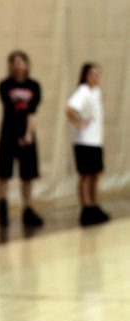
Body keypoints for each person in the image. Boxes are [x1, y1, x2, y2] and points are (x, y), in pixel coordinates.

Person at [0, 50, 44, 227]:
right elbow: (10, 109)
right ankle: (2, 209)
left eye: (21, 61)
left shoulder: (34, 86)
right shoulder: (4, 85)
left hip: (27, 135)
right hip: (8, 134)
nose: (17, 65)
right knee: (3, 174)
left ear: (26, 64)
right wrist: (16, 136)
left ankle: (28, 210)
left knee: (28, 175)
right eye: (14, 62)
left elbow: (32, 112)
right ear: (10, 65)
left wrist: (28, 134)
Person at [66, 63, 110, 226]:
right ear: (85, 75)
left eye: (97, 74)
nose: (95, 76)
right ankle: (85, 208)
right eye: (92, 73)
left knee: (95, 175)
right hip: (83, 141)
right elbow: (69, 109)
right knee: (85, 175)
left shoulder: (96, 92)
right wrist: (78, 123)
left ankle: (94, 205)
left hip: (95, 140)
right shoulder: (83, 91)